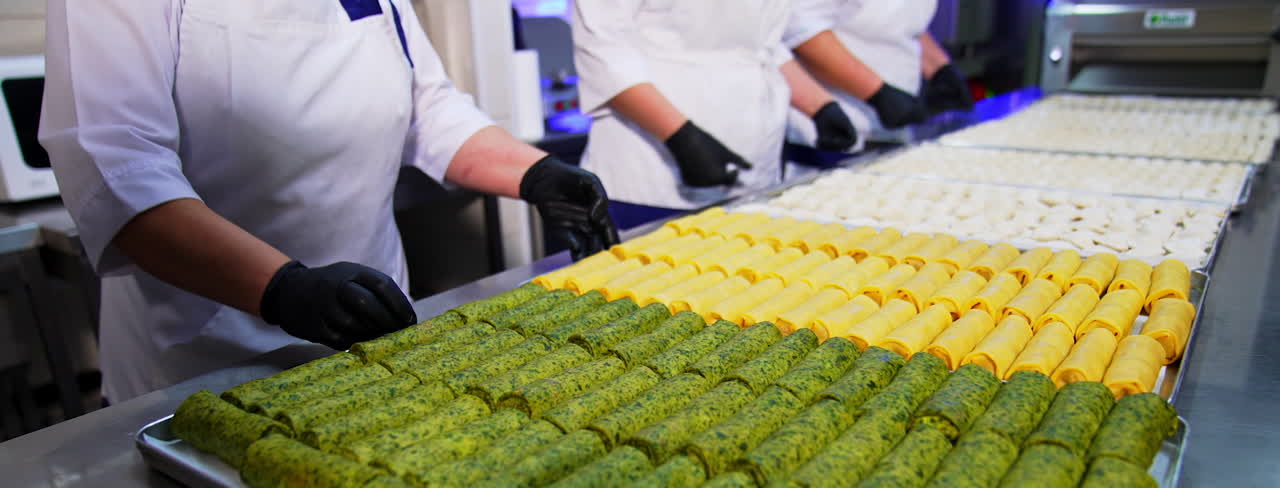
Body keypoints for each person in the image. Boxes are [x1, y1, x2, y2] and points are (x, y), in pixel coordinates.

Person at [40, 0, 618, 402]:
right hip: (204, 356)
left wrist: (536, 174)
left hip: (373, 334)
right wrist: (284, 288)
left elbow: (429, 108)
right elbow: (115, 167)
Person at [572, 0, 858, 230]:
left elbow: (759, 45)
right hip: (655, 178)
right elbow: (602, 47)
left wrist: (819, 106)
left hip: (755, 171)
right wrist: (680, 137)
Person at [784, 0, 973, 146]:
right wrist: (878, 93)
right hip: (833, 127)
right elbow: (802, 28)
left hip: (893, 127)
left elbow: (894, 18)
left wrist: (937, 67)